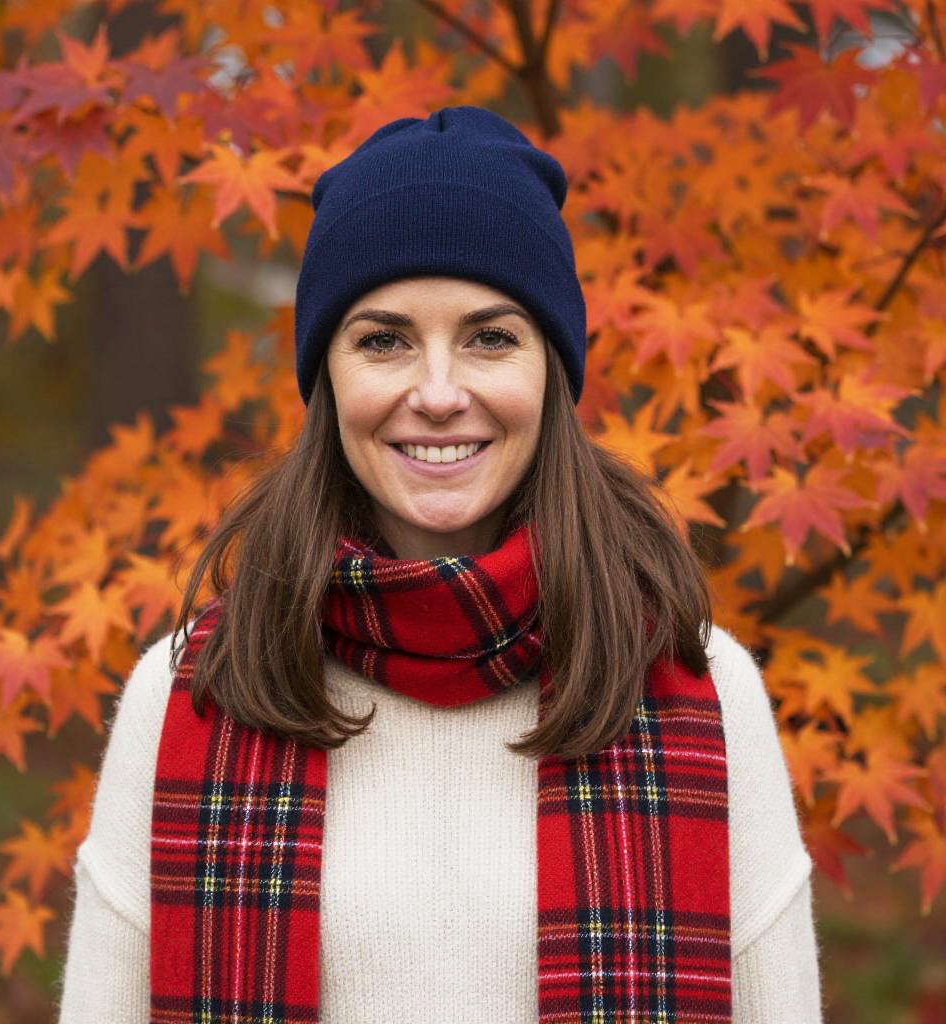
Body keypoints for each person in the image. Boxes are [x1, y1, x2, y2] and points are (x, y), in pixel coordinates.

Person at [56, 106, 823, 1023]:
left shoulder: (703, 689)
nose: (438, 393)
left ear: (553, 371)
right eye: (383, 340)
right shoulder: (189, 692)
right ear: (325, 376)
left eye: (489, 337)